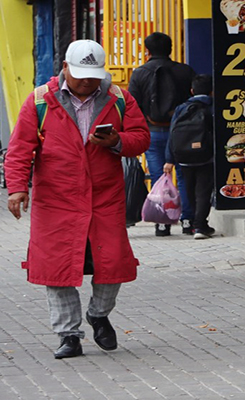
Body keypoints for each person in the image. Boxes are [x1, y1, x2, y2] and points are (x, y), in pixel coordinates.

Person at [4, 39, 150, 359]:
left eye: (93, 74)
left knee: (113, 261)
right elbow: (20, 149)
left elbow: (141, 138)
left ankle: (98, 314)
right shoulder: (40, 100)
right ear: (66, 68)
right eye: (81, 74)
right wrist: (17, 187)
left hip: (104, 197)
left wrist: (116, 141)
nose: (87, 81)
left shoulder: (119, 98)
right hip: (55, 199)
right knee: (55, 269)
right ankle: (68, 334)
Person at [128, 32, 195, 237]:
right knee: (185, 176)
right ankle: (187, 220)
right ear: (171, 48)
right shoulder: (186, 71)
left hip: (153, 131)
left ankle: (163, 222)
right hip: (183, 133)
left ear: (147, 51)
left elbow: (133, 105)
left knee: (159, 177)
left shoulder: (139, 73)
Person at [163, 74, 215, 239]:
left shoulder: (181, 108)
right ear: (212, 91)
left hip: (184, 157)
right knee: (203, 191)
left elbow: (172, 134)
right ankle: (200, 226)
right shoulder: (213, 107)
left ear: (192, 91)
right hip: (206, 157)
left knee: (189, 190)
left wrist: (169, 159)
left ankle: (192, 223)